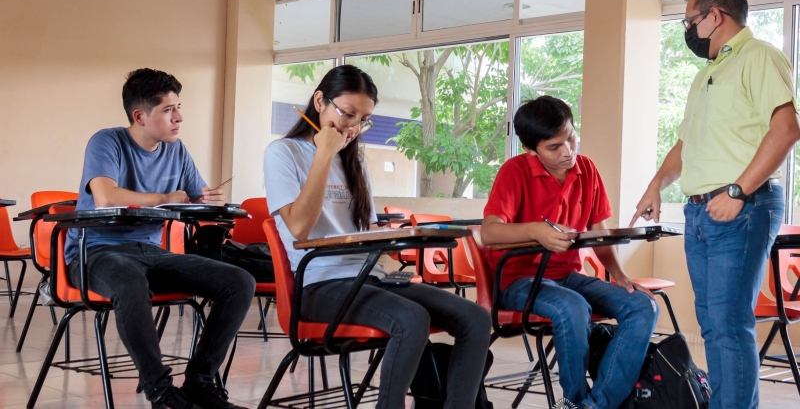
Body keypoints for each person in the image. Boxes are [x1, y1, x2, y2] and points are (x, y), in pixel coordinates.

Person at [263, 64, 491, 409]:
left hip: (369, 278)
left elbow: (365, 230)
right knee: (411, 319)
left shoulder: (355, 160)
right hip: (319, 287)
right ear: (320, 101)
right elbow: (299, 228)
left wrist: (401, 238)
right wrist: (325, 153)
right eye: (348, 114)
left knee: (475, 318)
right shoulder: (283, 153)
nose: (353, 128)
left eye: (362, 120)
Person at [629, 0, 800, 409]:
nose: (688, 29)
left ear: (714, 16)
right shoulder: (706, 74)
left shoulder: (759, 57)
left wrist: (739, 190)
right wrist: (655, 185)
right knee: (711, 325)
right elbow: (686, 146)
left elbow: (786, 130)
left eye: (690, 20)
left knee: (728, 324)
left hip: (742, 207)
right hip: (701, 214)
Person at [65, 68, 255, 409]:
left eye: (178, 107)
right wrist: (168, 197)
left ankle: (199, 382)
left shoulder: (176, 150)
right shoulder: (107, 141)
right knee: (128, 283)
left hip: (151, 252)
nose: (179, 117)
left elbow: (194, 198)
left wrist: (208, 203)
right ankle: (161, 393)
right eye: (168, 110)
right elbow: (106, 197)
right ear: (140, 116)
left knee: (239, 281)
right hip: (94, 252)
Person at [481, 96, 658, 409]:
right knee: (573, 308)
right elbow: (490, 232)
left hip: (567, 276)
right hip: (518, 281)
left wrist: (619, 275)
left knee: (643, 306)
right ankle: (573, 401)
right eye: (554, 147)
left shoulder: (586, 169)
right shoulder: (515, 171)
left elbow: (598, 234)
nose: (568, 152)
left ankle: (595, 405)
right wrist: (536, 230)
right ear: (531, 149)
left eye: (571, 139)